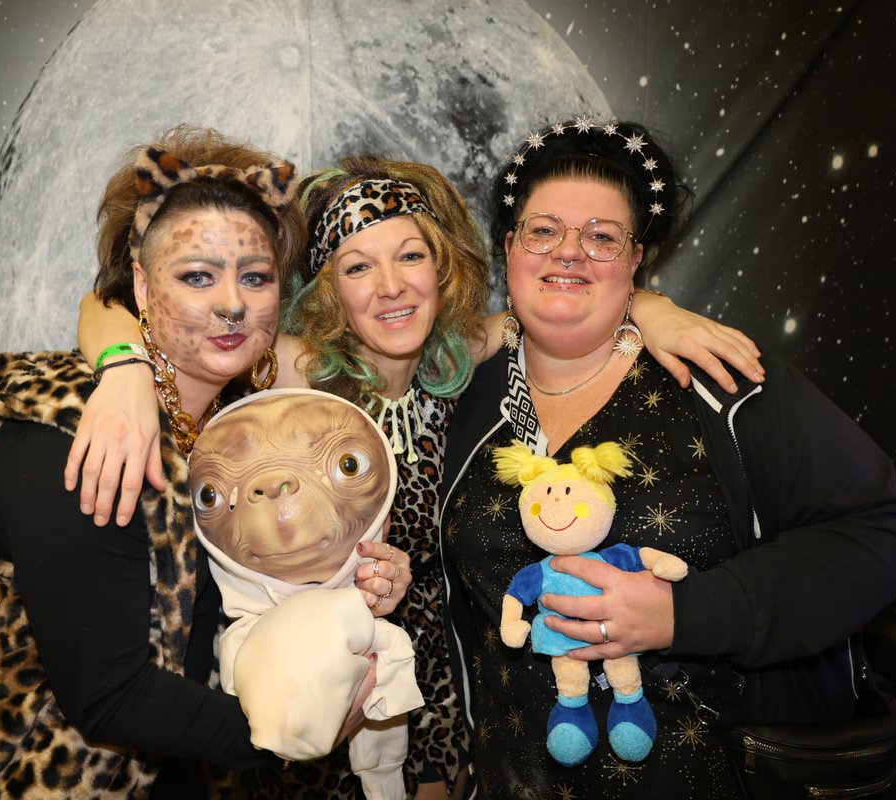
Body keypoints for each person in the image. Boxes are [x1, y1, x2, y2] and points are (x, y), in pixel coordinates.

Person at [70, 153, 767, 799]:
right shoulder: (295, 372)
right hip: (326, 696)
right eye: (358, 267)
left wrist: (654, 309)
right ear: (329, 290)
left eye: (411, 255)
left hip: (445, 696)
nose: (392, 286)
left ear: (443, 267)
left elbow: (572, 298)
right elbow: (111, 303)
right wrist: (123, 368)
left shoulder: (460, 364)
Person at [0, 126, 410, 799]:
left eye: (255, 277)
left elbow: (218, 614)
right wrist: (296, 733)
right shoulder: (74, 442)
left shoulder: (230, 430)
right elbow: (110, 697)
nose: (232, 303)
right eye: (196, 276)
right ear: (140, 284)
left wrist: (349, 583)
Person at [436, 116, 896, 798]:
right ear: (510, 247)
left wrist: (684, 614)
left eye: (602, 237)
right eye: (543, 231)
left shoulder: (725, 384)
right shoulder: (461, 399)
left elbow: (880, 537)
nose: (569, 252)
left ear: (635, 259)